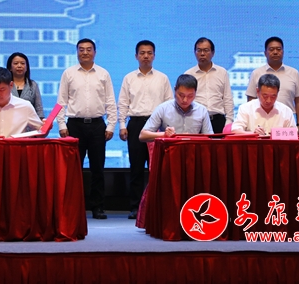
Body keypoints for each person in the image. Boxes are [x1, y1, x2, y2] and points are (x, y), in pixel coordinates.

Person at [57, 38, 117, 220]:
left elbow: (110, 101)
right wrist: (61, 124)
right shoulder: (68, 73)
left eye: (88, 49)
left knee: (97, 169)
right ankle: (72, 207)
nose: (85, 52)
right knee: (73, 169)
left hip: (98, 125)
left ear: (95, 52)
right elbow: (61, 101)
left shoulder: (103, 74)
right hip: (74, 126)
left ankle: (97, 207)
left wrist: (111, 125)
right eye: (81, 49)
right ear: (77, 52)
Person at [118, 40, 173, 220]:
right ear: (136, 56)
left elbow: (169, 104)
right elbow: (123, 103)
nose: (146, 56)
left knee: (157, 168)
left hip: (156, 126)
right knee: (136, 168)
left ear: (154, 56)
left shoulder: (162, 78)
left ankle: (157, 205)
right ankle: (135, 207)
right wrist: (122, 125)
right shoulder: (129, 78)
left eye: (149, 53)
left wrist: (167, 128)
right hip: (135, 125)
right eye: (142, 53)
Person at [245, 36, 299, 133]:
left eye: (278, 49)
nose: (275, 52)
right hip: (260, 123)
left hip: (286, 123)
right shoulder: (256, 73)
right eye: (271, 49)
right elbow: (251, 99)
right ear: (265, 53)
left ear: (283, 52)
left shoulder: (294, 73)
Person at [139, 74, 213, 141]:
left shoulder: (202, 110)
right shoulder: (163, 108)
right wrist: (164, 134)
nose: (185, 100)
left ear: (195, 93)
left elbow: (210, 138)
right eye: (181, 95)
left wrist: (192, 138)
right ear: (175, 90)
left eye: (190, 96)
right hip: (169, 150)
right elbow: (142, 135)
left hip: (194, 150)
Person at [184, 37, 234, 133]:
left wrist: (229, 121)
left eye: (206, 50)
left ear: (213, 53)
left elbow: (227, 98)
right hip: (196, 120)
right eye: (199, 50)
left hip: (218, 120)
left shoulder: (222, 72)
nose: (202, 53)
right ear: (195, 52)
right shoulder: (189, 74)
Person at [232, 74, 296, 134]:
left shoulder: (286, 111)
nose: (269, 100)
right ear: (257, 91)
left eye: (273, 96)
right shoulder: (245, 108)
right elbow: (235, 131)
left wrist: (276, 134)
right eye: (265, 96)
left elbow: (293, 133)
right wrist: (253, 134)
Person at [6, 52, 44, 119]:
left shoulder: (33, 85)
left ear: (26, 68)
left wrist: (41, 121)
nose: (19, 66)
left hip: (29, 123)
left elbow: (39, 108)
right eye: (16, 63)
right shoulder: (5, 85)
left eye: (22, 63)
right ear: (10, 68)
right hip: (9, 122)